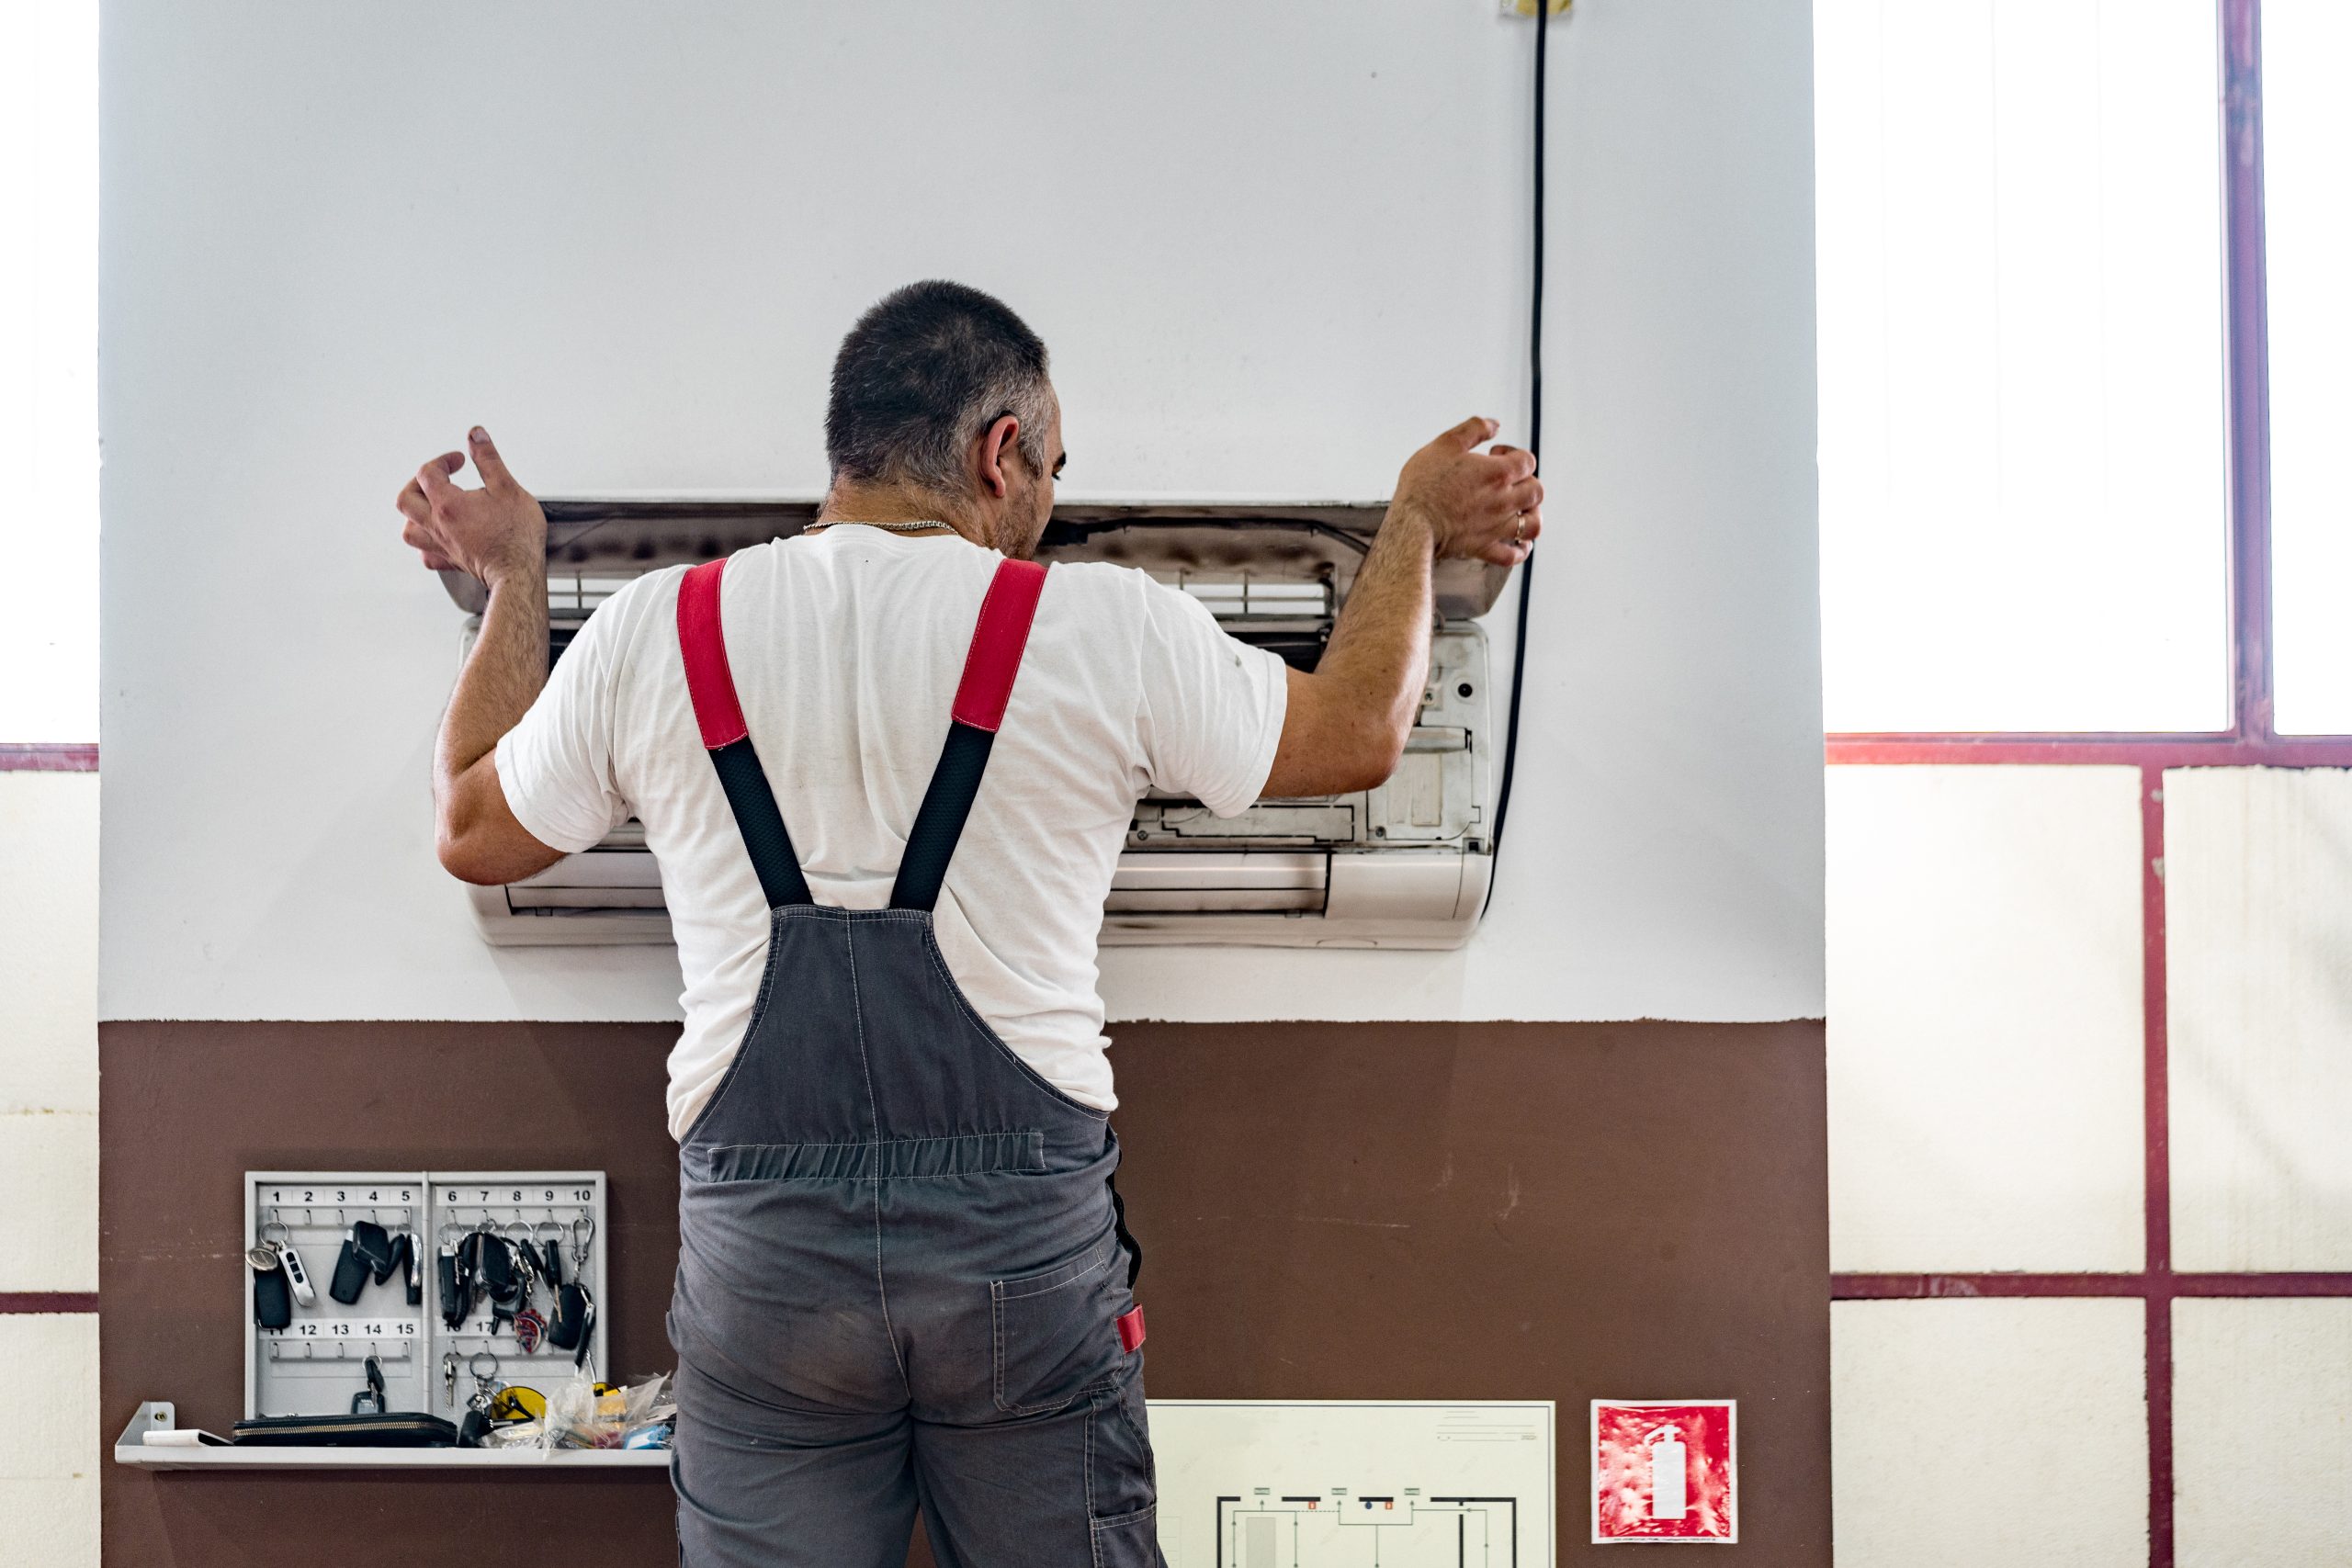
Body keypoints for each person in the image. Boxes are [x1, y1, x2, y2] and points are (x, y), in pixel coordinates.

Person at [398, 280, 1540, 1567]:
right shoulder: (1100, 624)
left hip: (767, 1279)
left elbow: (472, 829)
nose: (1047, 499)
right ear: (1002, 453)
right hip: (1022, 1267)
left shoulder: (661, 627)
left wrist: (512, 574)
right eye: (1051, 468)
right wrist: (1418, 526)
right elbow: (1356, 737)